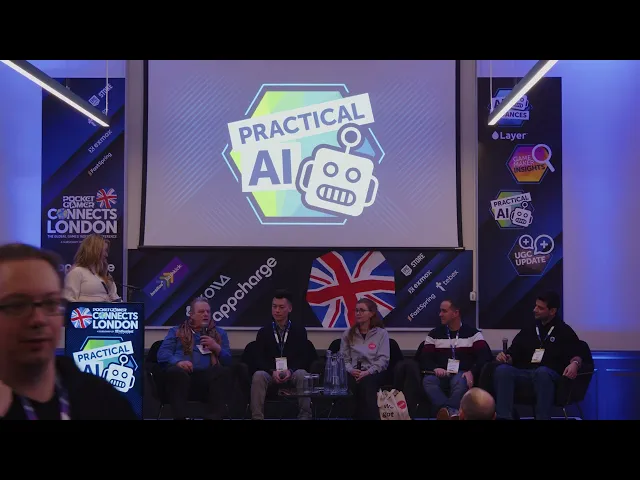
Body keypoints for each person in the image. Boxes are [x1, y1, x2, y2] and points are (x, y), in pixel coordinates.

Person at [0, 243, 137, 420]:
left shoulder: (103, 399)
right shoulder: (77, 273)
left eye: (50, 303)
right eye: (18, 305)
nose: (38, 319)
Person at [493, 291, 583, 420]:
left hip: (551, 376)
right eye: (535, 306)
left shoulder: (564, 331)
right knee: (503, 370)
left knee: (542, 372)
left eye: (540, 308)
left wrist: (575, 364)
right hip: (527, 373)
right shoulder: (529, 329)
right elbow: (514, 352)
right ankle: (504, 417)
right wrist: (506, 358)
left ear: (552, 311)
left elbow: (578, 354)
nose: (535, 310)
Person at [156, 297, 233, 420]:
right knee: (176, 373)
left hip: (207, 381)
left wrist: (216, 348)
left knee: (221, 372)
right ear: (191, 314)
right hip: (182, 377)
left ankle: (213, 417)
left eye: (208, 311)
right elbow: (163, 354)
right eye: (201, 312)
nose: (206, 314)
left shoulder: (219, 333)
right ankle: (180, 418)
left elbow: (228, 361)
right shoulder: (176, 331)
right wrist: (178, 362)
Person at [419, 298, 491, 420]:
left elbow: (484, 357)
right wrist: (434, 368)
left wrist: (472, 372)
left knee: (459, 381)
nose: (440, 314)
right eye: (440, 311)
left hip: (461, 373)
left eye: (444, 311)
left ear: (455, 313)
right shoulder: (434, 334)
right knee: (428, 381)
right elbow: (425, 358)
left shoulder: (473, 334)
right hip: (441, 373)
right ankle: (452, 412)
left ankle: (445, 413)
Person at [250, 289, 312, 420]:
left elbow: (304, 357)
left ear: (289, 308)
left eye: (281, 307)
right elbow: (259, 358)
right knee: (258, 375)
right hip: (271, 373)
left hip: (292, 372)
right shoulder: (264, 332)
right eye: (274, 306)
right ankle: (257, 417)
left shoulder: (299, 331)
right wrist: (272, 371)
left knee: (302, 374)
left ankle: (305, 416)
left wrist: (290, 371)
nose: (276, 310)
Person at [339, 297, 390, 420]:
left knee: (367, 383)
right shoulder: (348, 334)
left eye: (362, 310)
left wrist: (368, 372)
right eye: (356, 310)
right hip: (353, 371)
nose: (358, 313)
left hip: (373, 372)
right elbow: (343, 359)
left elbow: (383, 359)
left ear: (371, 313)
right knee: (349, 384)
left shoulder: (381, 334)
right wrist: (351, 370)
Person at [63, 234, 120, 302]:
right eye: (104, 251)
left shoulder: (105, 274)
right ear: (94, 251)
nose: (106, 255)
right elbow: (68, 298)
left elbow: (114, 297)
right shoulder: (77, 272)